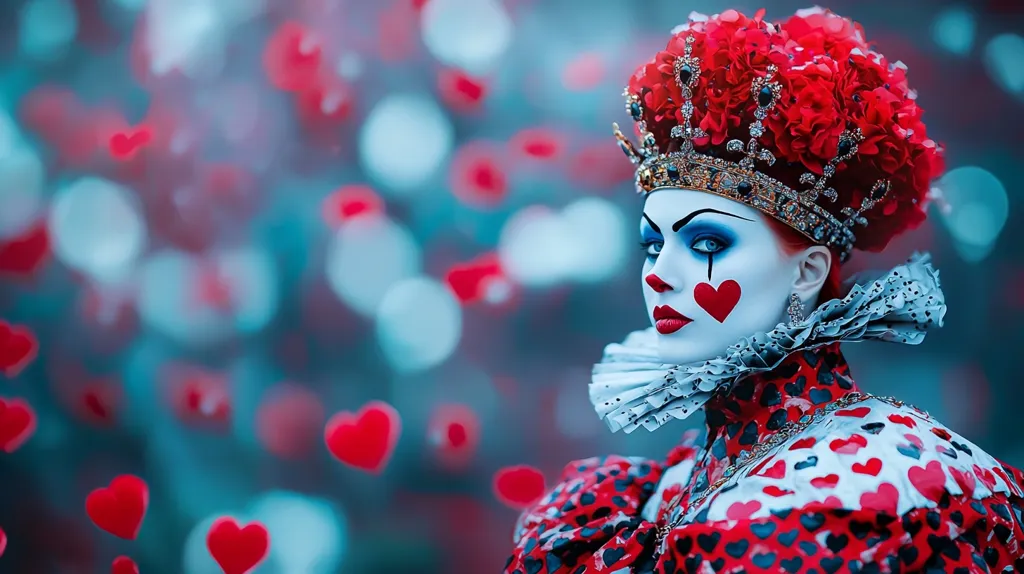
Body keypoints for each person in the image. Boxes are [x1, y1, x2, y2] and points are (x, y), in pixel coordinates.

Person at [504, 7, 1024, 573]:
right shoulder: (658, 490)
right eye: (652, 245)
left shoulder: (890, 486)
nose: (659, 273)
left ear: (807, 272)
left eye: (705, 244)